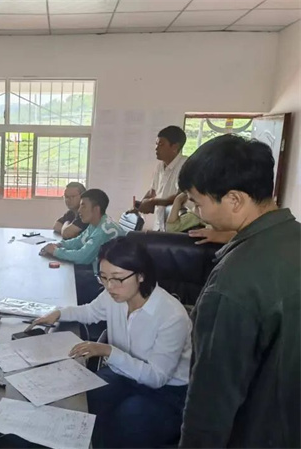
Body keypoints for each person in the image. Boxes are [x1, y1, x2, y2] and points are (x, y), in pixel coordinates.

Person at [177, 135, 300, 448]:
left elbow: (211, 400)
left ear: (234, 199)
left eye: (198, 203)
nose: (197, 213)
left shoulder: (234, 280)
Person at [34, 237, 191, 448]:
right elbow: (90, 312)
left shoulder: (172, 316)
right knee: (84, 398)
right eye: (104, 277)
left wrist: (108, 351)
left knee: (126, 419)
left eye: (117, 278)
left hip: (168, 392)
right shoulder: (114, 295)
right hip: (124, 374)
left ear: (141, 275)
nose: (110, 286)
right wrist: (58, 313)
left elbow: (156, 377)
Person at [135, 126, 187, 231]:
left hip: (177, 227)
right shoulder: (159, 166)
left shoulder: (186, 165)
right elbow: (152, 192)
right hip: (159, 224)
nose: (156, 148)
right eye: (156, 144)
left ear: (175, 147)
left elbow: (181, 197)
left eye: (161, 144)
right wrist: (139, 206)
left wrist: (153, 202)